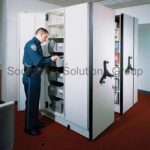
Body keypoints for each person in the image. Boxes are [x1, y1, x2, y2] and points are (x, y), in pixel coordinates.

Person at [22, 28, 59, 136]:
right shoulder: (31, 45)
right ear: (40, 34)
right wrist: (51, 59)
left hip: (36, 76)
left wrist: (50, 57)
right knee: (31, 103)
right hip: (31, 76)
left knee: (35, 101)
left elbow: (41, 58)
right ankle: (28, 128)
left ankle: (34, 122)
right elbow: (38, 62)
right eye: (45, 37)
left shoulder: (37, 44)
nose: (46, 39)